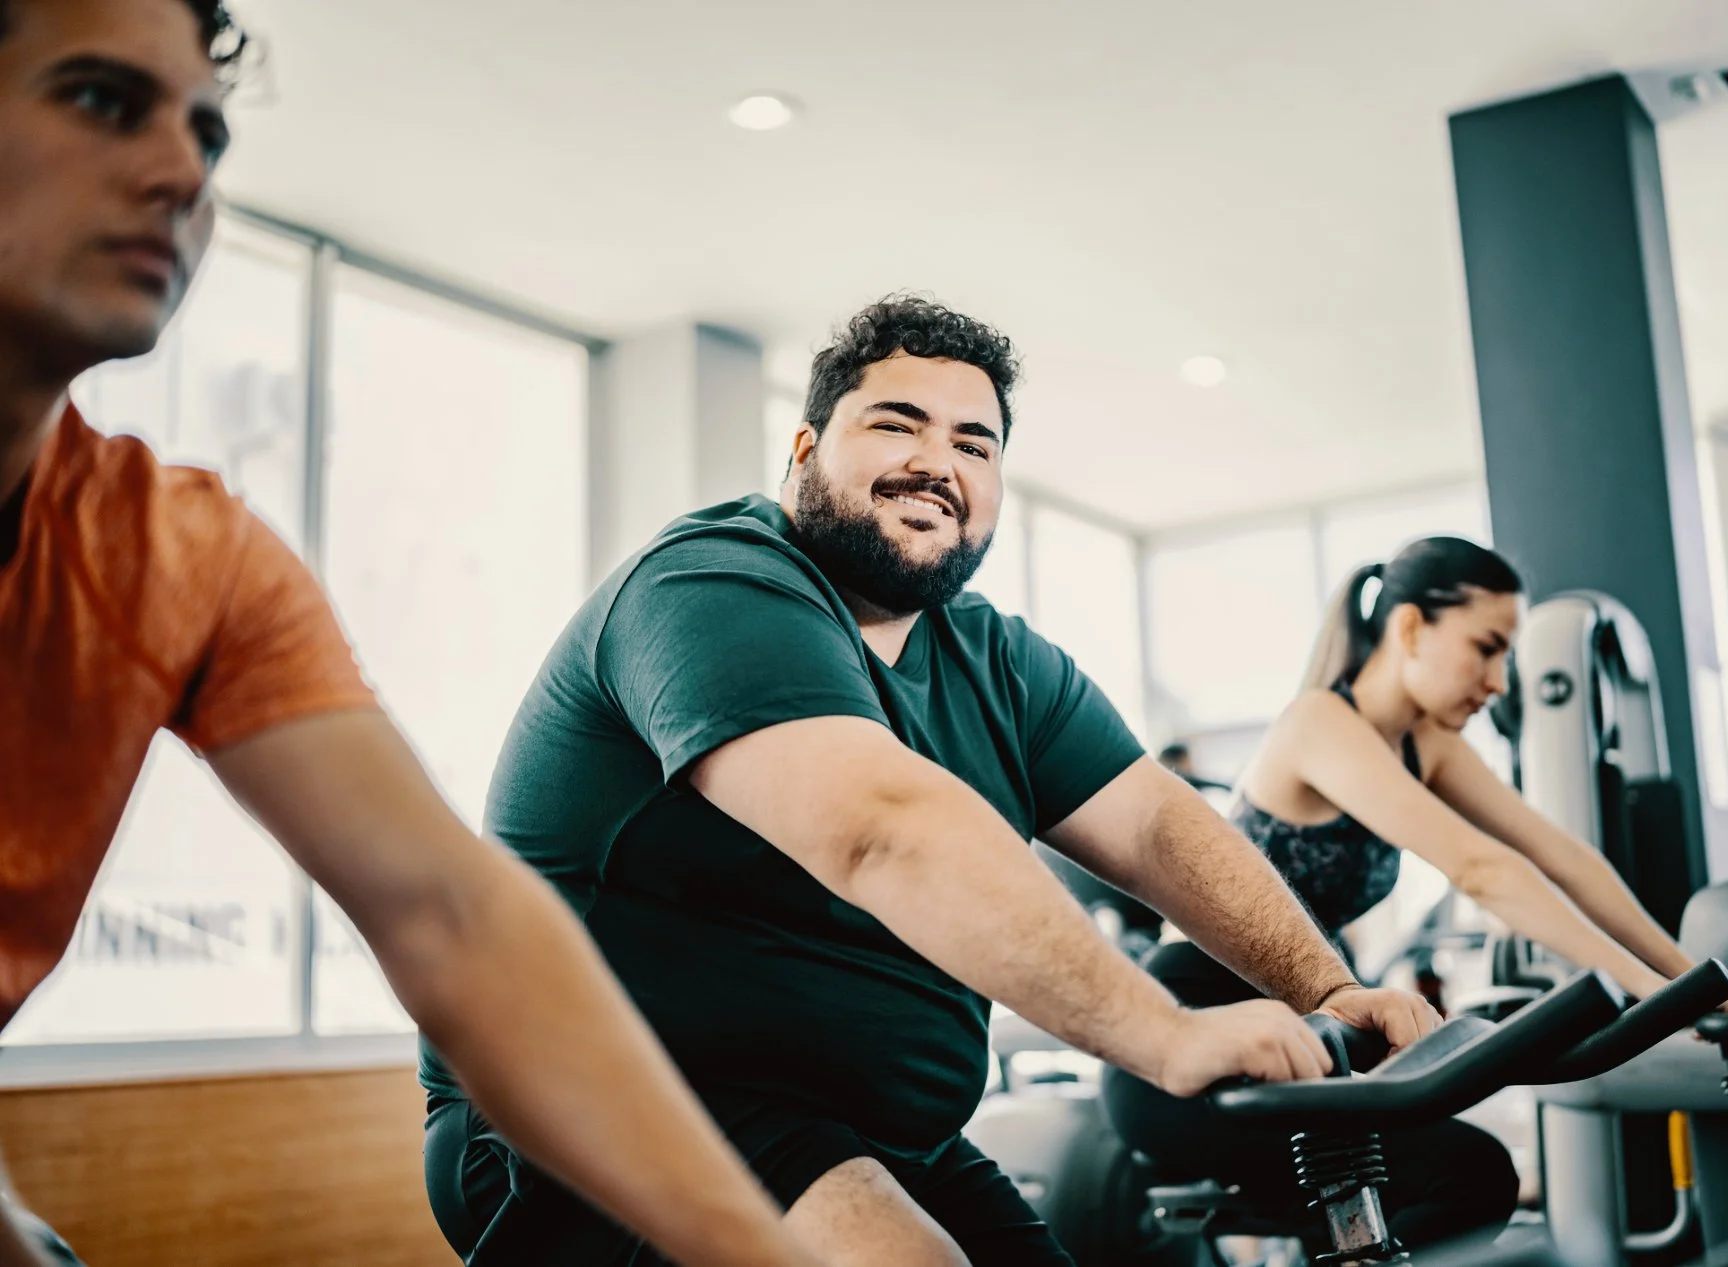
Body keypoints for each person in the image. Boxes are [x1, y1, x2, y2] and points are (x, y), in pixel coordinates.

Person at [0, 3, 832, 1265]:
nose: (181, 174)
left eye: (208, 134)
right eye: (104, 101)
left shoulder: (181, 554)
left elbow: (451, 914)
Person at [420, 294, 1465, 1267]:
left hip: (874, 1128)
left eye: (974, 443)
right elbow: (880, 826)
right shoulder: (713, 584)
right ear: (803, 451)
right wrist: (1165, 1033)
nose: (937, 461)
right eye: (896, 424)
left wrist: (1325, 987)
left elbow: (1154, 828)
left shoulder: (999, 662)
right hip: (599, 1097)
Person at [1229, 536, 1728, 1011]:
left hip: (1300, 1000)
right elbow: (1480, 870)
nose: (1498, 684)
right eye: (1485, 649)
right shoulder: (1318, 722)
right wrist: (1654, 990)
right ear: (1412, 628)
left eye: (1505, 658)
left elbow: (1563, 857)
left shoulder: (1428, 743)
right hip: (1215, 993)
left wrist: (1696, 980)